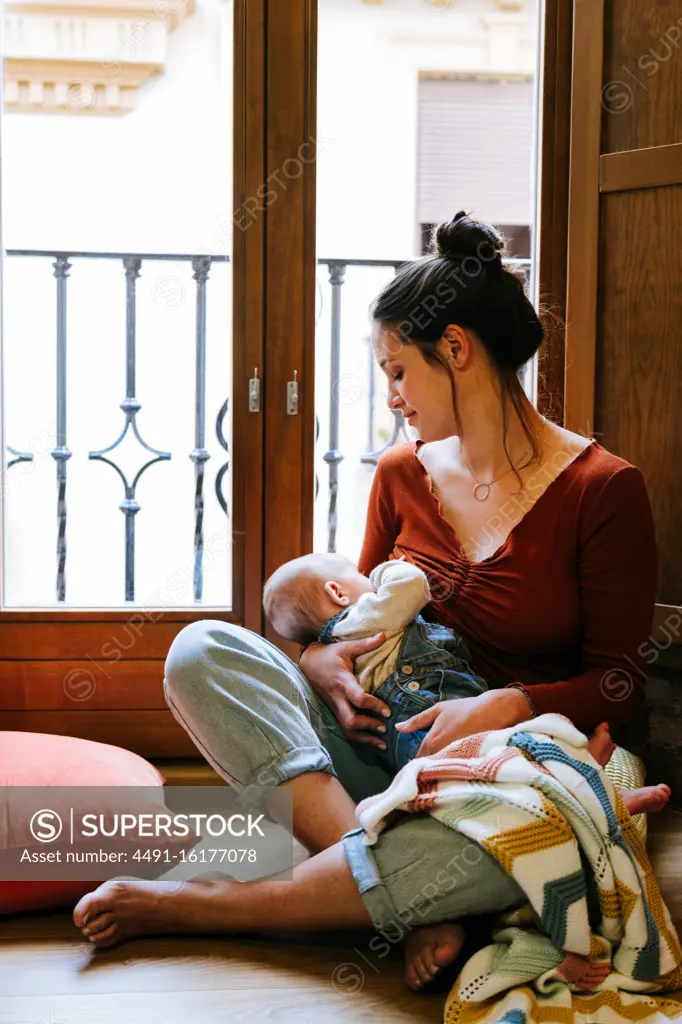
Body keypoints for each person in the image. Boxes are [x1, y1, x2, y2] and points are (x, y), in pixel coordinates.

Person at [72, 212, 663, 993]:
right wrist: (321, 663)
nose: (392, 399)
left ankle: (215, 906)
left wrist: (504, 706)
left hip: (511, 771)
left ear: (456, 349)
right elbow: (358, 623)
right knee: (202, 652)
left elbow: (621, 684)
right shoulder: (399, 474)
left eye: (397, 371)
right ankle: (399, 889)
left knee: (539, 827)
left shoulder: (604, 490)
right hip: (385, 751)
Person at [262, 552, 488, 771]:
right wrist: (388, 570)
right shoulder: (365, 618)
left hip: (399, 738)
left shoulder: (338, 638)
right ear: (337, 593)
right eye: (361, 574)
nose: (369, 578)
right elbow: (413, 584)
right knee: (485, 753)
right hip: (431, 706)